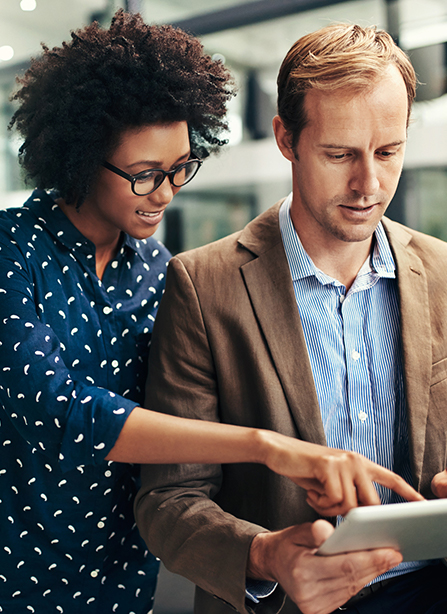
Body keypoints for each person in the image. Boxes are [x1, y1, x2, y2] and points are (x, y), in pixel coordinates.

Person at [0, 12, 420, 614]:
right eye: (145, 175)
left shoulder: (153, 268)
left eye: (179, 169)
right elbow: (59, 407)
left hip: (123, 570)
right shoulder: (11, 250)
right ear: (81, 153)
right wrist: (266, 446)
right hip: (22, 559)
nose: (167, 194)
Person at [134, 23, 447, 614]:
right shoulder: (203, 286)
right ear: (285, 138)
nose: (369, 184)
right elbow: (169, 499)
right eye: (339, 154)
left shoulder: (444, 271)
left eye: (388, 152)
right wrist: (268, 554)